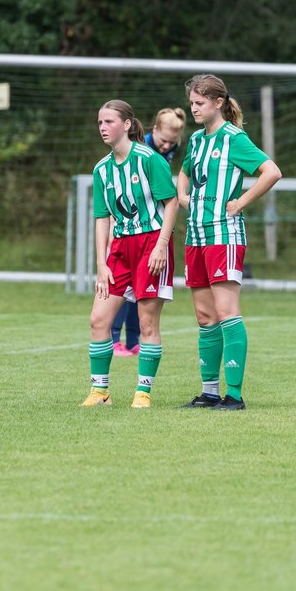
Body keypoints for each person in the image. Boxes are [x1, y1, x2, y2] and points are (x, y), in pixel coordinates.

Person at [176, 75, 282, 409]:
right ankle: (209, 393)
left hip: (224, 235)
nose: (194, 108)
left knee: (226, 312)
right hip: (196, 235)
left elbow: (271, 172)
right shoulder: (195, 141)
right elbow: (187, 171)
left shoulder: (234, 138)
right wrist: (182, 195)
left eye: (200, 103)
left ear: (218, 102)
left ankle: (233, 395)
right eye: (192, 103)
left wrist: (241, 202)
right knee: (205, 316)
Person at [81, 100, 179, 408]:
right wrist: (101, 263)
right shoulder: (101, 169)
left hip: (152, 243)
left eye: (109, 121)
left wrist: (162, 245)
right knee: (98, 319)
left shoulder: (149, 159)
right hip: (119, 248)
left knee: (147, 322)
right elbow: (101, 217)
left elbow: (172, 203)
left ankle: (143, 392)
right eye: (100, 122)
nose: (103, 127)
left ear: (126, 124)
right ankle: (100, 392)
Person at [110, 107, 187, 356]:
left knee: (142, 292)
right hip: (132, 228)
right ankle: (113, 338)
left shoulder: (169, 147)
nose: (166, 146)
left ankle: (133, 341)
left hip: (151, 230)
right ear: (154, 131)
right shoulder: (142, 150)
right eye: (163, 141)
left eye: (172, 143)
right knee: (121, 290)